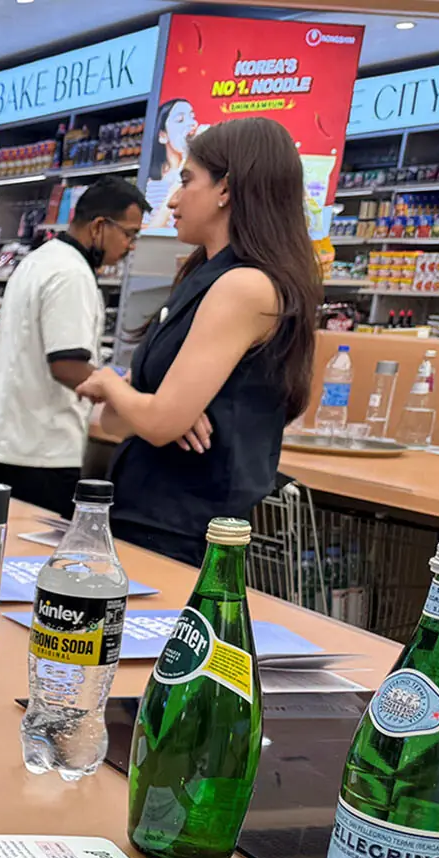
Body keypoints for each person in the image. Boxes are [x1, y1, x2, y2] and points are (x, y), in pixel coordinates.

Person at [77, 117, 320, 566]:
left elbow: (156, 419)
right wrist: (148, 404)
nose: (172, 198)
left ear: (226, 189)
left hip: (183, 530)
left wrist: (112, 384)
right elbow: (116, 423)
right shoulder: (202, 278)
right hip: (145, 512)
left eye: (187, 180)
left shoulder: (244, 286)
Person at [0, 178, 150, 518]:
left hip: (14, 440)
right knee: (32, 555)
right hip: (42, 448)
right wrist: (129, 396)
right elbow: (67, 365)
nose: (130, 246)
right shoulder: (71, 273)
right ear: (100, 226)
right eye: (129, 234)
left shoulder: (42, 259)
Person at [145, 98, 198, 230]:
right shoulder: (150, 184)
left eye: (192, 117)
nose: (191, 123)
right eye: (180, 120)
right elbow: (149, 232)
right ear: (163, 136)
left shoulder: (201, 177)